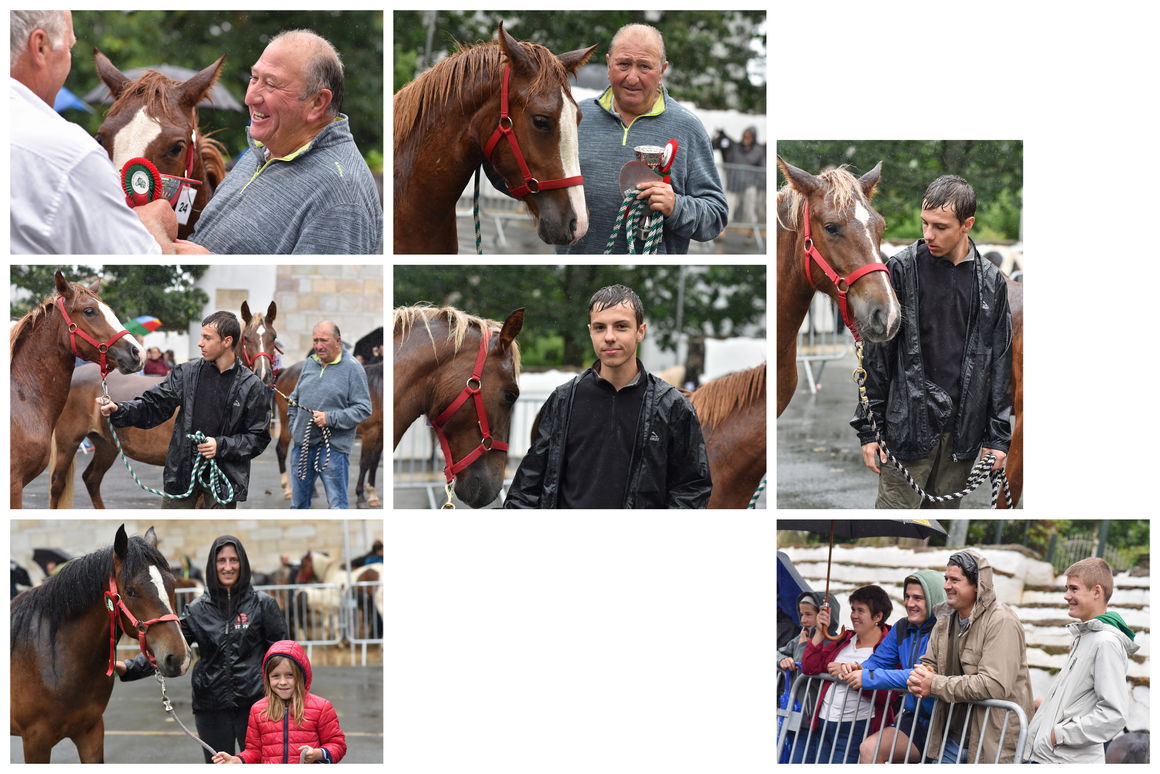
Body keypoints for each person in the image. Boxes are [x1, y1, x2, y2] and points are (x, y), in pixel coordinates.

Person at [851, 175, 1013, 508]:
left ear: (967, 224)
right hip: (905, 429)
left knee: (936, 523)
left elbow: (1000, 363)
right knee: (891, 521)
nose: (928, 234)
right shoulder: (899, 269)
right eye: (924, 223)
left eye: (940, 227)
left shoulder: (992, 282)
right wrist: (869, 431)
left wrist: (998, 439)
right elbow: (875, 359)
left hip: (962, 438)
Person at [504, 284, 711, 508]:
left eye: (621, 327)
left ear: (640, 331)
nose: (609, 337)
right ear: (590, 331)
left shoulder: (672, 407)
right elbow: (528, 486)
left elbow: (691, 489)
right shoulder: (563, 400)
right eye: (600, 327)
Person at [177, 29, 381, 255]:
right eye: (254, 78)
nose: (250, 98)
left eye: (271, 84)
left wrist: (210, 262)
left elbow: (310, 288)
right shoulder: (264, 150)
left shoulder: (341, 197)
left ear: (317, 102)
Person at [10, 10, 177, 254]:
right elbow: (142, 255)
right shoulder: (71, 155)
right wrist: (152, 222)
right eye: (69, 48)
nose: (70, 59)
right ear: (40, 46)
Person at [117, 535, 288, 763]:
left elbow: (284, 653)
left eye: (234, 560)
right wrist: (127, 667)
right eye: (221, 561)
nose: (228, 567)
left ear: (243, 563)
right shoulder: (197, 610)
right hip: (211, 707)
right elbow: (171, 647)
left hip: (257, 706)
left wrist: (289, 698)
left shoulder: (263, 604)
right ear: (212, 565)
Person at [559, 23, 726, 254]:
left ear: (662, 70)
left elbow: (716, 215)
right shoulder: (575, 117)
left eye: (645, 66)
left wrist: (676, 206)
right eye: (623, 64)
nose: (632, 77)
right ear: (609, 64)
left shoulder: (688, 128)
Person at [97, 311, 271, 508]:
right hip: (182, 475)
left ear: (227, 341)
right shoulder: (185, 373)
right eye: (201, 336)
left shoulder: (252, 386)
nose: (200, 343)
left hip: (223, 481)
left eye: (207, 338)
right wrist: (119, 409)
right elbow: (153, 405)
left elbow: (258, 437)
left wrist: (220, 446)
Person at [906, 550, 1033, 763]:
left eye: (954, 580)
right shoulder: (944, 618)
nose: (946, 585)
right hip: (950, 739)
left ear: (977, 584)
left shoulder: (1001, 621)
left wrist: (934, 684)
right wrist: (922, 675)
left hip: (990, 742)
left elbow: (994, 684)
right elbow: (929, 662)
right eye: (946, 578)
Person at [1023, 558, 1138, 763]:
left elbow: (1114, 715)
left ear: (1097, 592)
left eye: (1074, 589)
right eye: (1067, 588)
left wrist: (1058, 735)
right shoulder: (1085, 637)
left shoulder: (1105, 642)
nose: (1067, 596)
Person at [849, 570, 946, 763]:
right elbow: (878, 661)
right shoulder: (902, 626)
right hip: (915, 717)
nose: (910, 603)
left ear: (934, 599)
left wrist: (868, 677)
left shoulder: (945, 629)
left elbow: (921, 674)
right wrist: (857, 669)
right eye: (907, 596)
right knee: (869, 748)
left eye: (918, 598)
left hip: (946, 721)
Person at [799, 585, 894, 763]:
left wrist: (848, 672)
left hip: (856, 726)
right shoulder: (844, 639)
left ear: (878, 616)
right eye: (852, 609)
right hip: (824, 722)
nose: (854, 616)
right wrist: (820, 631)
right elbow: (810, 667)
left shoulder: (889, 646)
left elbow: (887, 695)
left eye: (860, 610)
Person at [212, 640, 347, 764]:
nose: (282, 682)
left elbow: (338, 745)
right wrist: (238, 760)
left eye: (290, 675)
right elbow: (254, 752)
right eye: (276, 676)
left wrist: (318, 754)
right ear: (267, 678)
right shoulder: (258, 710)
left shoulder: (322, 707)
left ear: (301, 675)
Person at [288, 321, 372, 509]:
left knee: (337, 506)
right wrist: (294, 427)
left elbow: (364, 408)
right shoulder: (310, 363)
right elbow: (294, 399)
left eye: (324, 340)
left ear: (337, 341)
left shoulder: (353, 368)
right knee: (298, 506)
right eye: (315, 340)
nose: (318, 346)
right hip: (302, 447)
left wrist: (329, 418)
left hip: (333, 449)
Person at [712, 126, 766, 226]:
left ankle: (751, 235)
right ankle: (721, 233)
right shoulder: (735, 147)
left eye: (748, 136)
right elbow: (717, 144)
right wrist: (721, 136)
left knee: (749, 213)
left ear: (753, 137)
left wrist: (758, 183)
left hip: (749, 187)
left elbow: (763, 168)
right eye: (744, 136)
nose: (746, 138)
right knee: (726, 211)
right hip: (733, 186)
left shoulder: (758, 151)